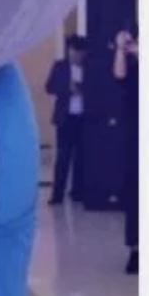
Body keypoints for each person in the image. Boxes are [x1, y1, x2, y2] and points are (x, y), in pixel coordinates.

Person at [45, 34, 89, 205]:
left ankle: (77, 192)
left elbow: (96, 89)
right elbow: (49, 87)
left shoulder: (89, 68)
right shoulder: (60, 66)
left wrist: (81, 88)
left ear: (83, 53)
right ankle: (57, 195)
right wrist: (67, 89)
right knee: (63, 157)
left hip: (84, 119)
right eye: (71, 51)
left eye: (77, 52)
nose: (73, 55)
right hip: (65, 119)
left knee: (81, 157)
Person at [113, 27, 139, 274]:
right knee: (135, 192)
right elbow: (119, 75)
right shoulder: (132, 66)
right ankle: (136, 248)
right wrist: (121, 49)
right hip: (136, 135)